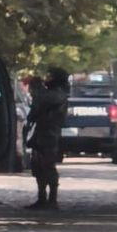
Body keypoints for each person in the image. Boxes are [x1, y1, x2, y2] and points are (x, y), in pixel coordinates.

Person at [25, 67, 69, 210]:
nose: (47, 80)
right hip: (42, 132)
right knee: (38, 166)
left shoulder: (57, 95)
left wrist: (37, 89)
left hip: (49, 133)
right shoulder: (54, 94)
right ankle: (42, 198)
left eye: (50, 77)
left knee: (47, 165)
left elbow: (38, 105)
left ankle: (52, 200)